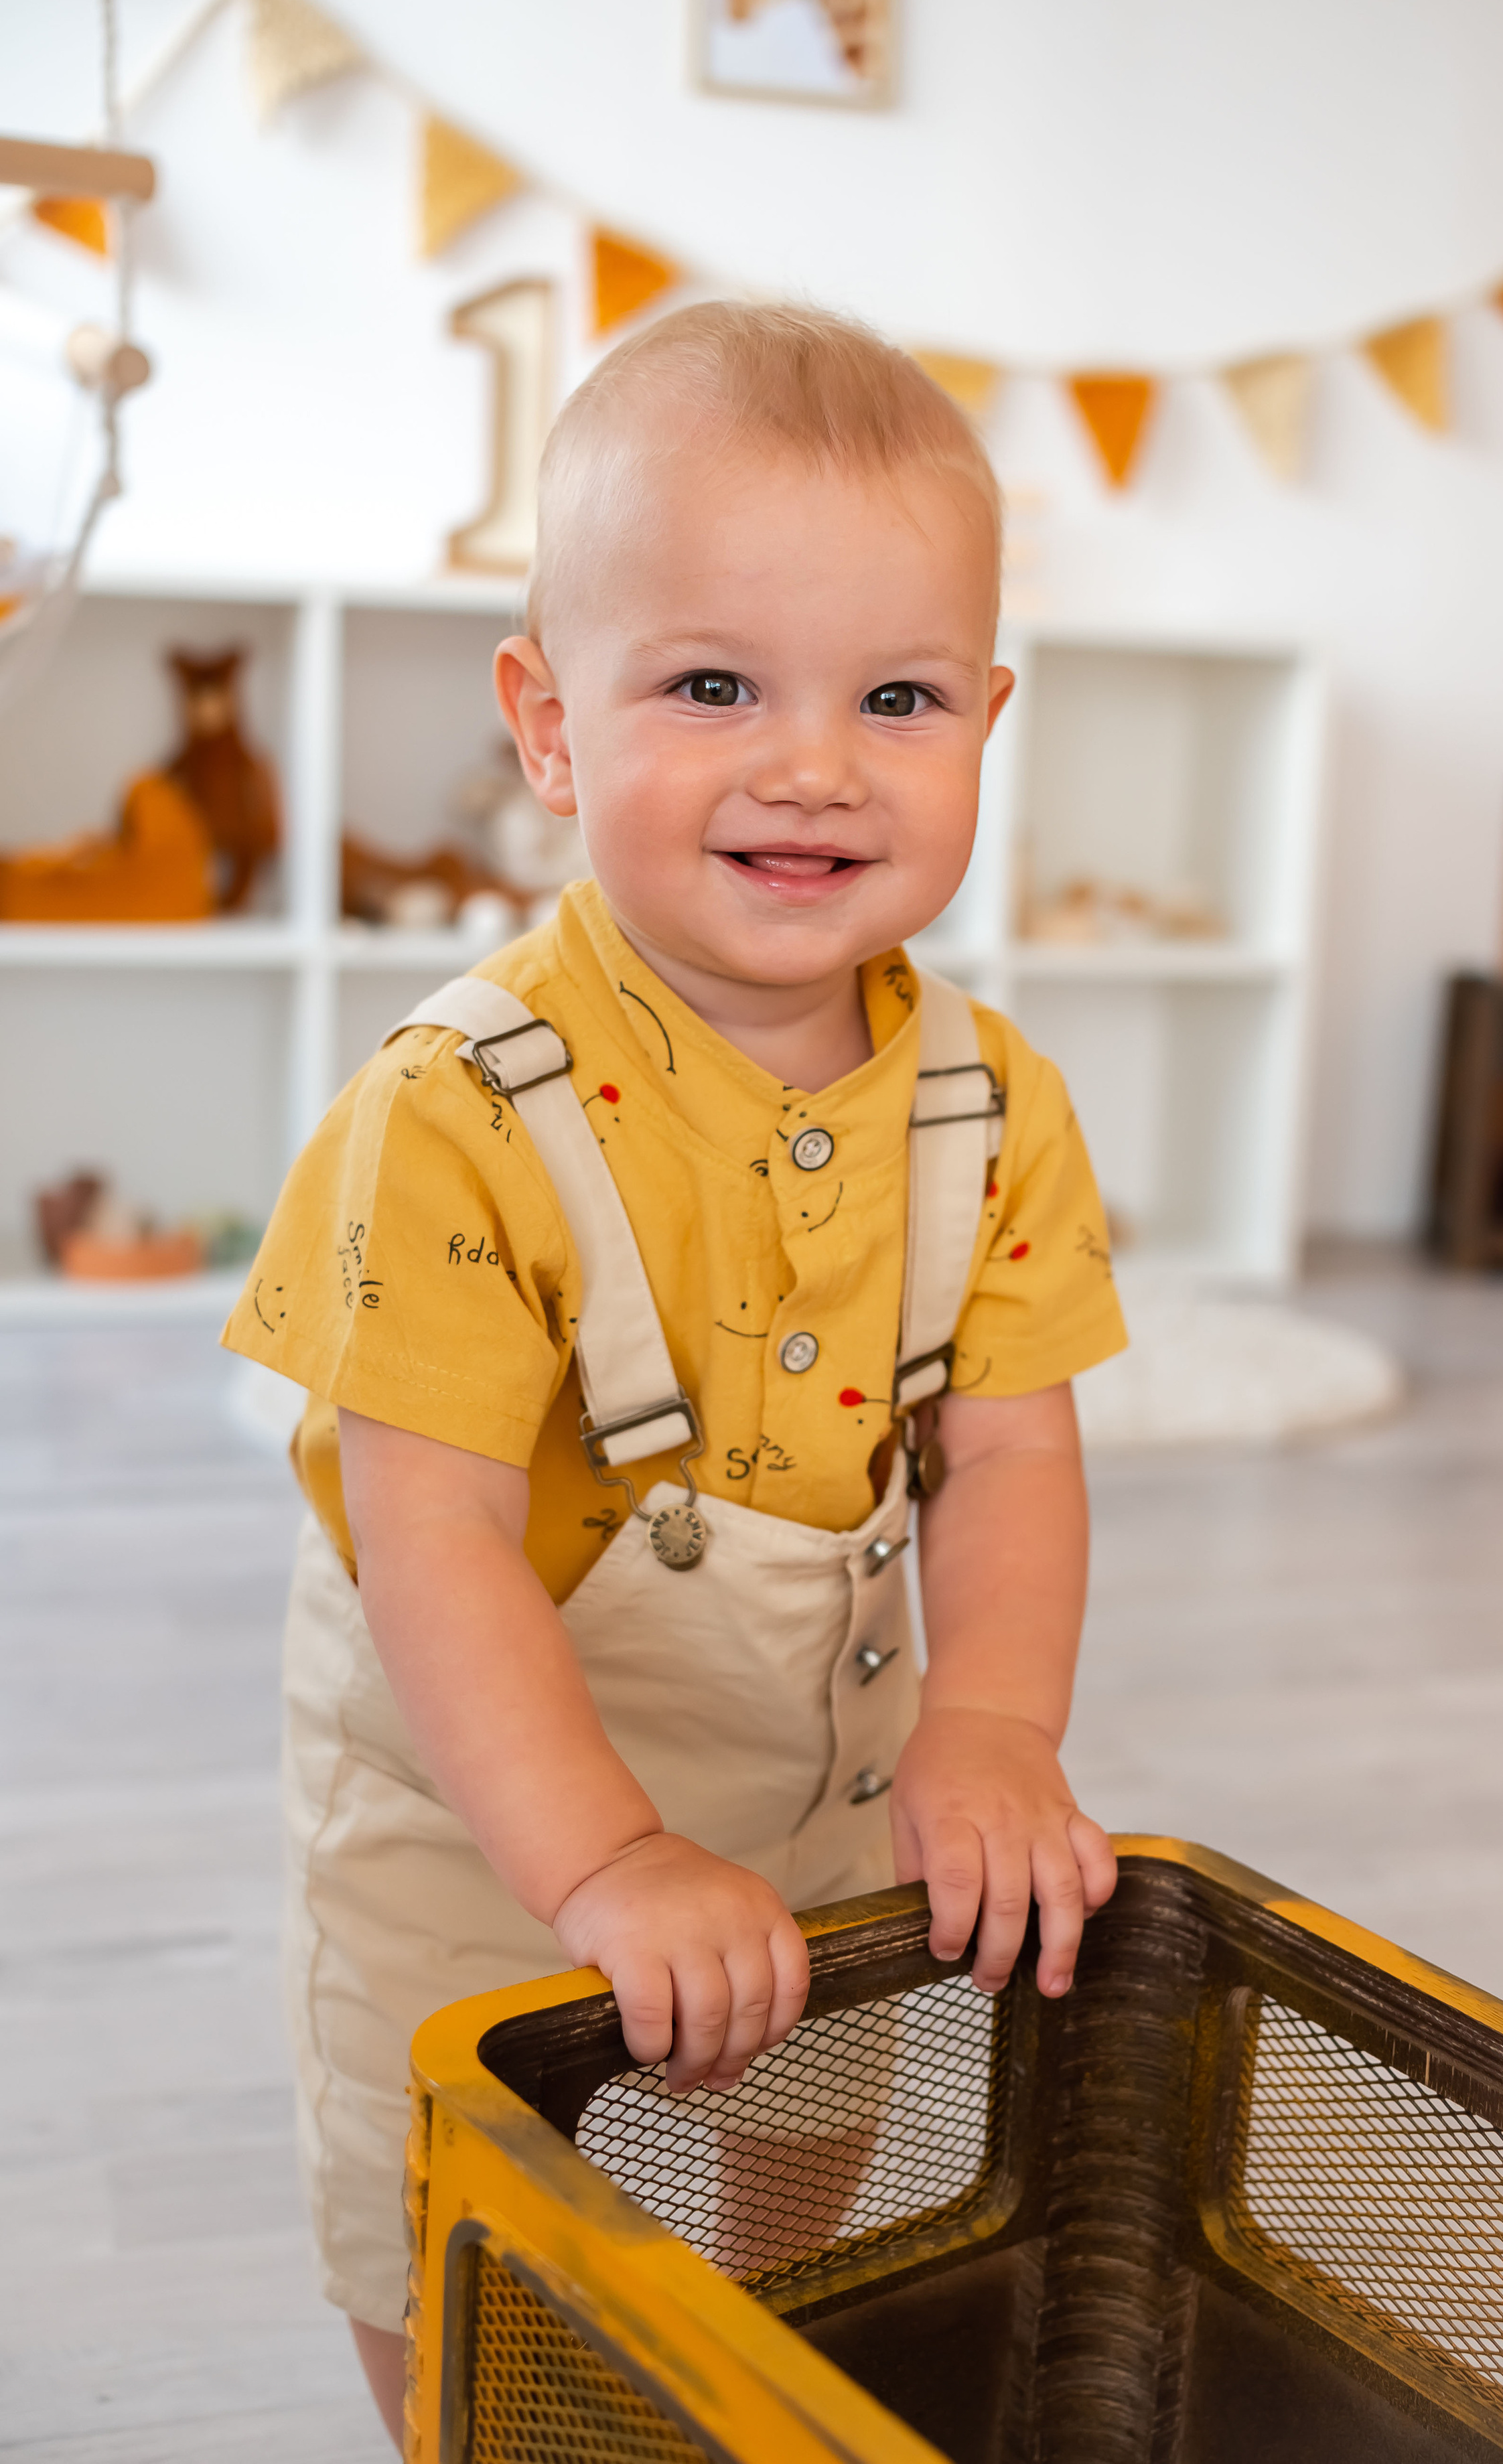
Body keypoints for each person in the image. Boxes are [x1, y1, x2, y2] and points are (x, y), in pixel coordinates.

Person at [223, 300, 1127, 2447]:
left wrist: (994, 1720)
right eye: (713, 684)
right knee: (450, 2214)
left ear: (987, 722)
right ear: (549, 722)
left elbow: (1008, 1452)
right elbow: (428, 1529)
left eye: (896, 697)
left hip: (818, 1784)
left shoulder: (995, 1105)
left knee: (796, 2163)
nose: (812, 762)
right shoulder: (455, 1108)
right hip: (482, 1797)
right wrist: (606, 1860)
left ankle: (739, 2347)